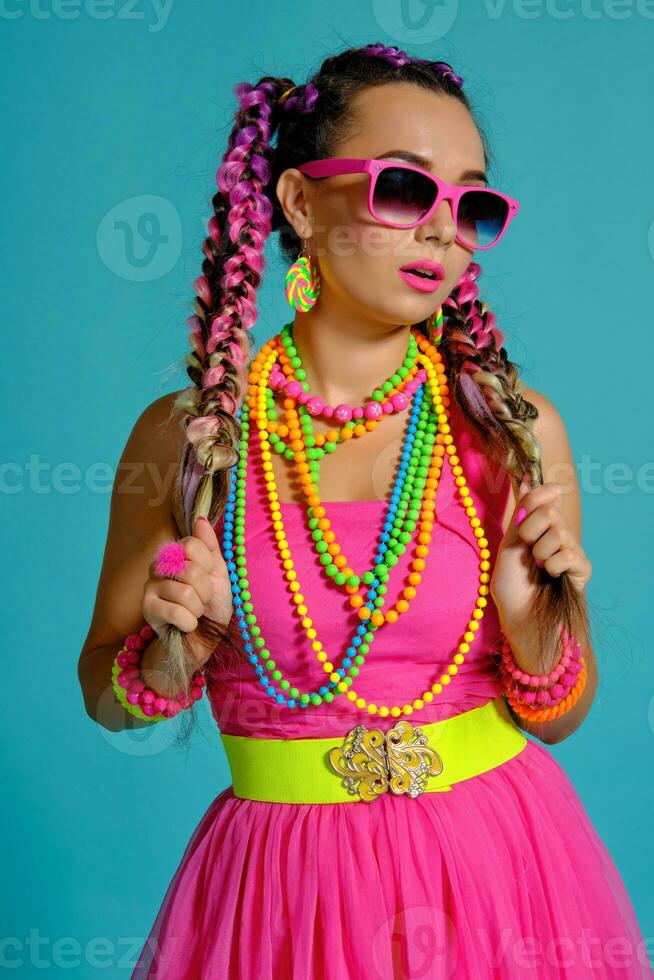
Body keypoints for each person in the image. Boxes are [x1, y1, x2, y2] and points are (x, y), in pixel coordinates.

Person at [77, 42, 653, 979]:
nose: (442, 232)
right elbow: (104, 694)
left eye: (471, 204)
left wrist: (532, 623)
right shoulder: (190, 439)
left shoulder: (514, 429)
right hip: (280, 892)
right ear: (301, 203)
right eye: (403, 190)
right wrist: (171, 654)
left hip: (499, 869)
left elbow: (560, 711)